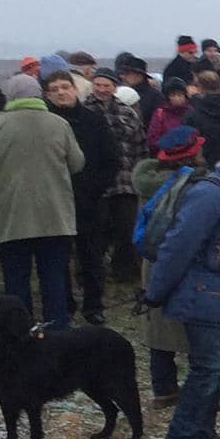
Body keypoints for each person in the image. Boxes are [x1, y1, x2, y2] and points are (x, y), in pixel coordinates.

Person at [144, 147, 220, 439]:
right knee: (208, 365)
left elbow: (218, 244)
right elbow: (179, 245)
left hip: (209, 289)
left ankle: (205, 433)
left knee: (213, 364)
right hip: (198, 289)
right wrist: (156, 290)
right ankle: (180, 437)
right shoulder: (211, 195)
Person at [0, 73, 83, 332]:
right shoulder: (59, 124)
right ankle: (58, 332)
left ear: (10, 96)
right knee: (54, 278)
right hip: (55, 216)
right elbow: (77, 163)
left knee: (16, 279)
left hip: (11, 216)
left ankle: (19, 332)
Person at [134, 126, 204, 405]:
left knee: (159, 328)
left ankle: (164, 388)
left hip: (152, 261)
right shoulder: (192, 186)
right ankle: (205, 388)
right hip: (186, 262)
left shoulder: (149, 182)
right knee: (197, 327)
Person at [44, 69, 116, 324]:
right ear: (48, 95)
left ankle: (94, 305)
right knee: (58, 257)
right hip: (54, 200)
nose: (61, 92)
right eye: (55, 89)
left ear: (75, 89)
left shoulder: (93, 120)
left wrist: (95, 189)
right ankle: (63, 304)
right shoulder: (45, 122)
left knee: (92, 257)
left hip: (90, 200)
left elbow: (111, 158)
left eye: (65, 87)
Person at [91, 69, 145, 285]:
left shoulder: (127, 112)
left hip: (125, 181)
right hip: (95, 182)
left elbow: (141, 145)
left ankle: (123, 272)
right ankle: (94, 272)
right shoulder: (84, 110)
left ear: (114, 87)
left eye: (106, 85)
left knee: (126, 229)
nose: (102, 89)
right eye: (98, 85)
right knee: (98, 229)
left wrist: (138, 173)